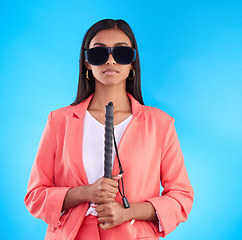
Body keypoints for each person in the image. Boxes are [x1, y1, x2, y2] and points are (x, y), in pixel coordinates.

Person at [24, 19, 194, 240]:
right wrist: (85, 193)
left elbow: (181, 198)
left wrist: (129, 211)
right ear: (87, 62)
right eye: (98, 53)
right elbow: (35, 196)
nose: (110, 59)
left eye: (122, 53)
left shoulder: (160, 124)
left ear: (132, 62)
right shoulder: (59, 121)